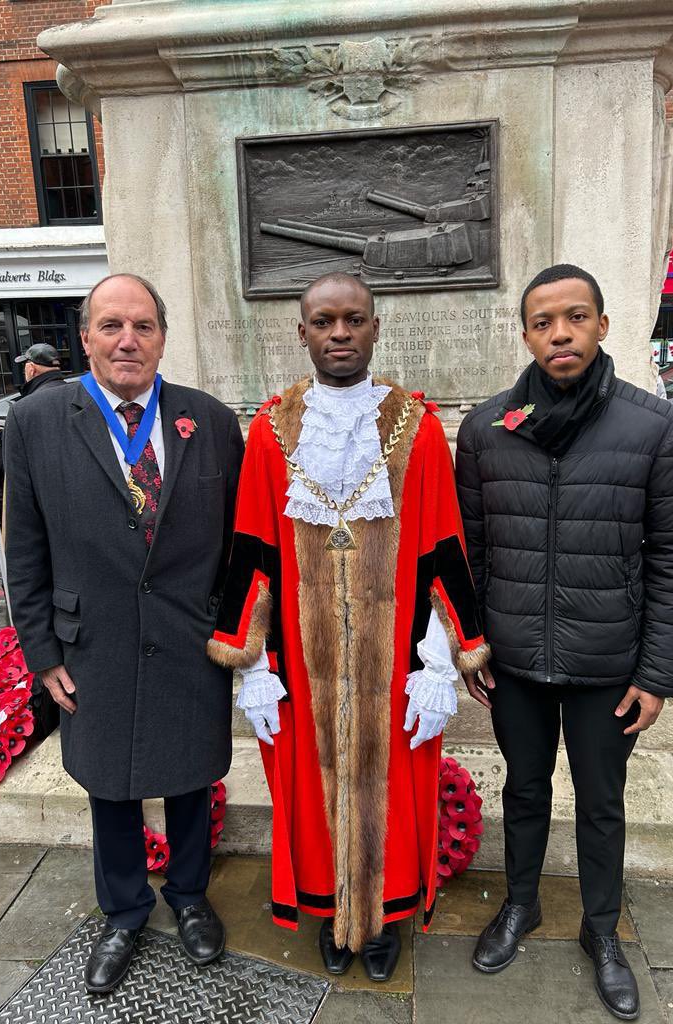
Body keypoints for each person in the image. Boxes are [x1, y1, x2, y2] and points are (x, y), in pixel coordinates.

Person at [208, 272, 487, 982]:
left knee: (397, 791)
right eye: (325, 321)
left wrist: (440, 661)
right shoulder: (270, 432)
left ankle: (385, 916)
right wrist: (253, 664)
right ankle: (334, 913)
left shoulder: (417, 429)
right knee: (309, 786)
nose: (340, 333)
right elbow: (252, 549)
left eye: (354, 320)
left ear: (374, 328)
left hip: (394, 660)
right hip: (302, 662)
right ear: (301, 331)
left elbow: (442, 547)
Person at [456, 264, 673, 1021]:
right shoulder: (485, 430)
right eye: (542, 321)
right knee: (523, 791)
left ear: (601, 325)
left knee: (601, 803)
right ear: (525, 333)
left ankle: (602, 930)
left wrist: (658, 675)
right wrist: (475, 643)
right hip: (516, 663)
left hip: (609, 666)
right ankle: (521, 904)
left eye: (575, 317)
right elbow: (472, 551)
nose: (559, 333)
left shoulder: (656, 429)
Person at [4, 274, 244, 994]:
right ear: (86, 339)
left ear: (163, 337)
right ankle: (124, 910)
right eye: (111, 326)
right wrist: (42, 652)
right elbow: (24, 550)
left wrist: (240, 638)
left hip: (188, 640)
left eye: (142, 325)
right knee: (108, 783)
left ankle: (190, 896)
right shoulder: (38, 422)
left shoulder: (210, 421)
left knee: (193, 774)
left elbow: (239, 543)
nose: (127, 340)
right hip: (92, 644)